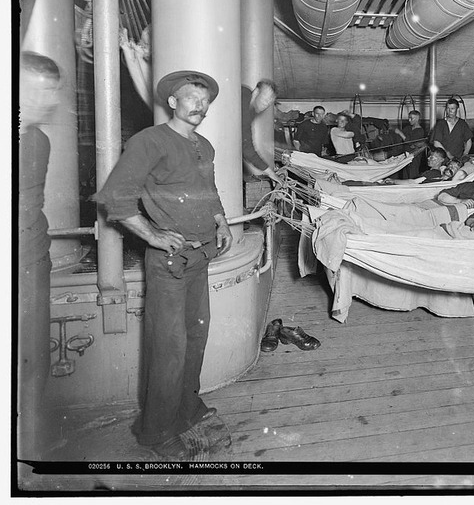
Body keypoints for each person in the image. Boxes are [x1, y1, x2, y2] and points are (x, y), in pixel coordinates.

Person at [94, 70, 233, 459]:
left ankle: (187, 409)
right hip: (169, 263)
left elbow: (208, 190)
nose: (199, 106)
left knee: (196, 335)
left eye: (204, 101)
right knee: (169, 347)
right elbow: (115, 197)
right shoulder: (149, 141)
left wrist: (221, 221)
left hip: (200, 256)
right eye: (191, 98)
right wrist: (152, 236)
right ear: (172, 102)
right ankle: (156, 431)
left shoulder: (204, 145)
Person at [18, 51, 62, 460]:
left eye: (53, 90)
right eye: (43, 90)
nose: (51, 100)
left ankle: (30, 451)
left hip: (33, 262)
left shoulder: (38, 142)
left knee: (33, 363)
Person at [241, 80, 282, 185]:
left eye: (269, 102)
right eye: (265, 98)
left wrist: (270, 172)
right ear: (255, 92)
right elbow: (247, 148)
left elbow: (246, 146)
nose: (266, 104)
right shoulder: (242, 96)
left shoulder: (250, 110)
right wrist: (270, 173)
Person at [396, 110, 426, 179]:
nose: (409, 120)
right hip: (404, 155)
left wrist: (400, 133)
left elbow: (410, 142)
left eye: (411, 118)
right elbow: (403, 140)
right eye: (409, 118)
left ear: (417, 118)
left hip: (414, 157)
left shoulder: (420, 131)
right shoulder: (407, 128)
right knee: (405, 175)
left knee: (412, 174)